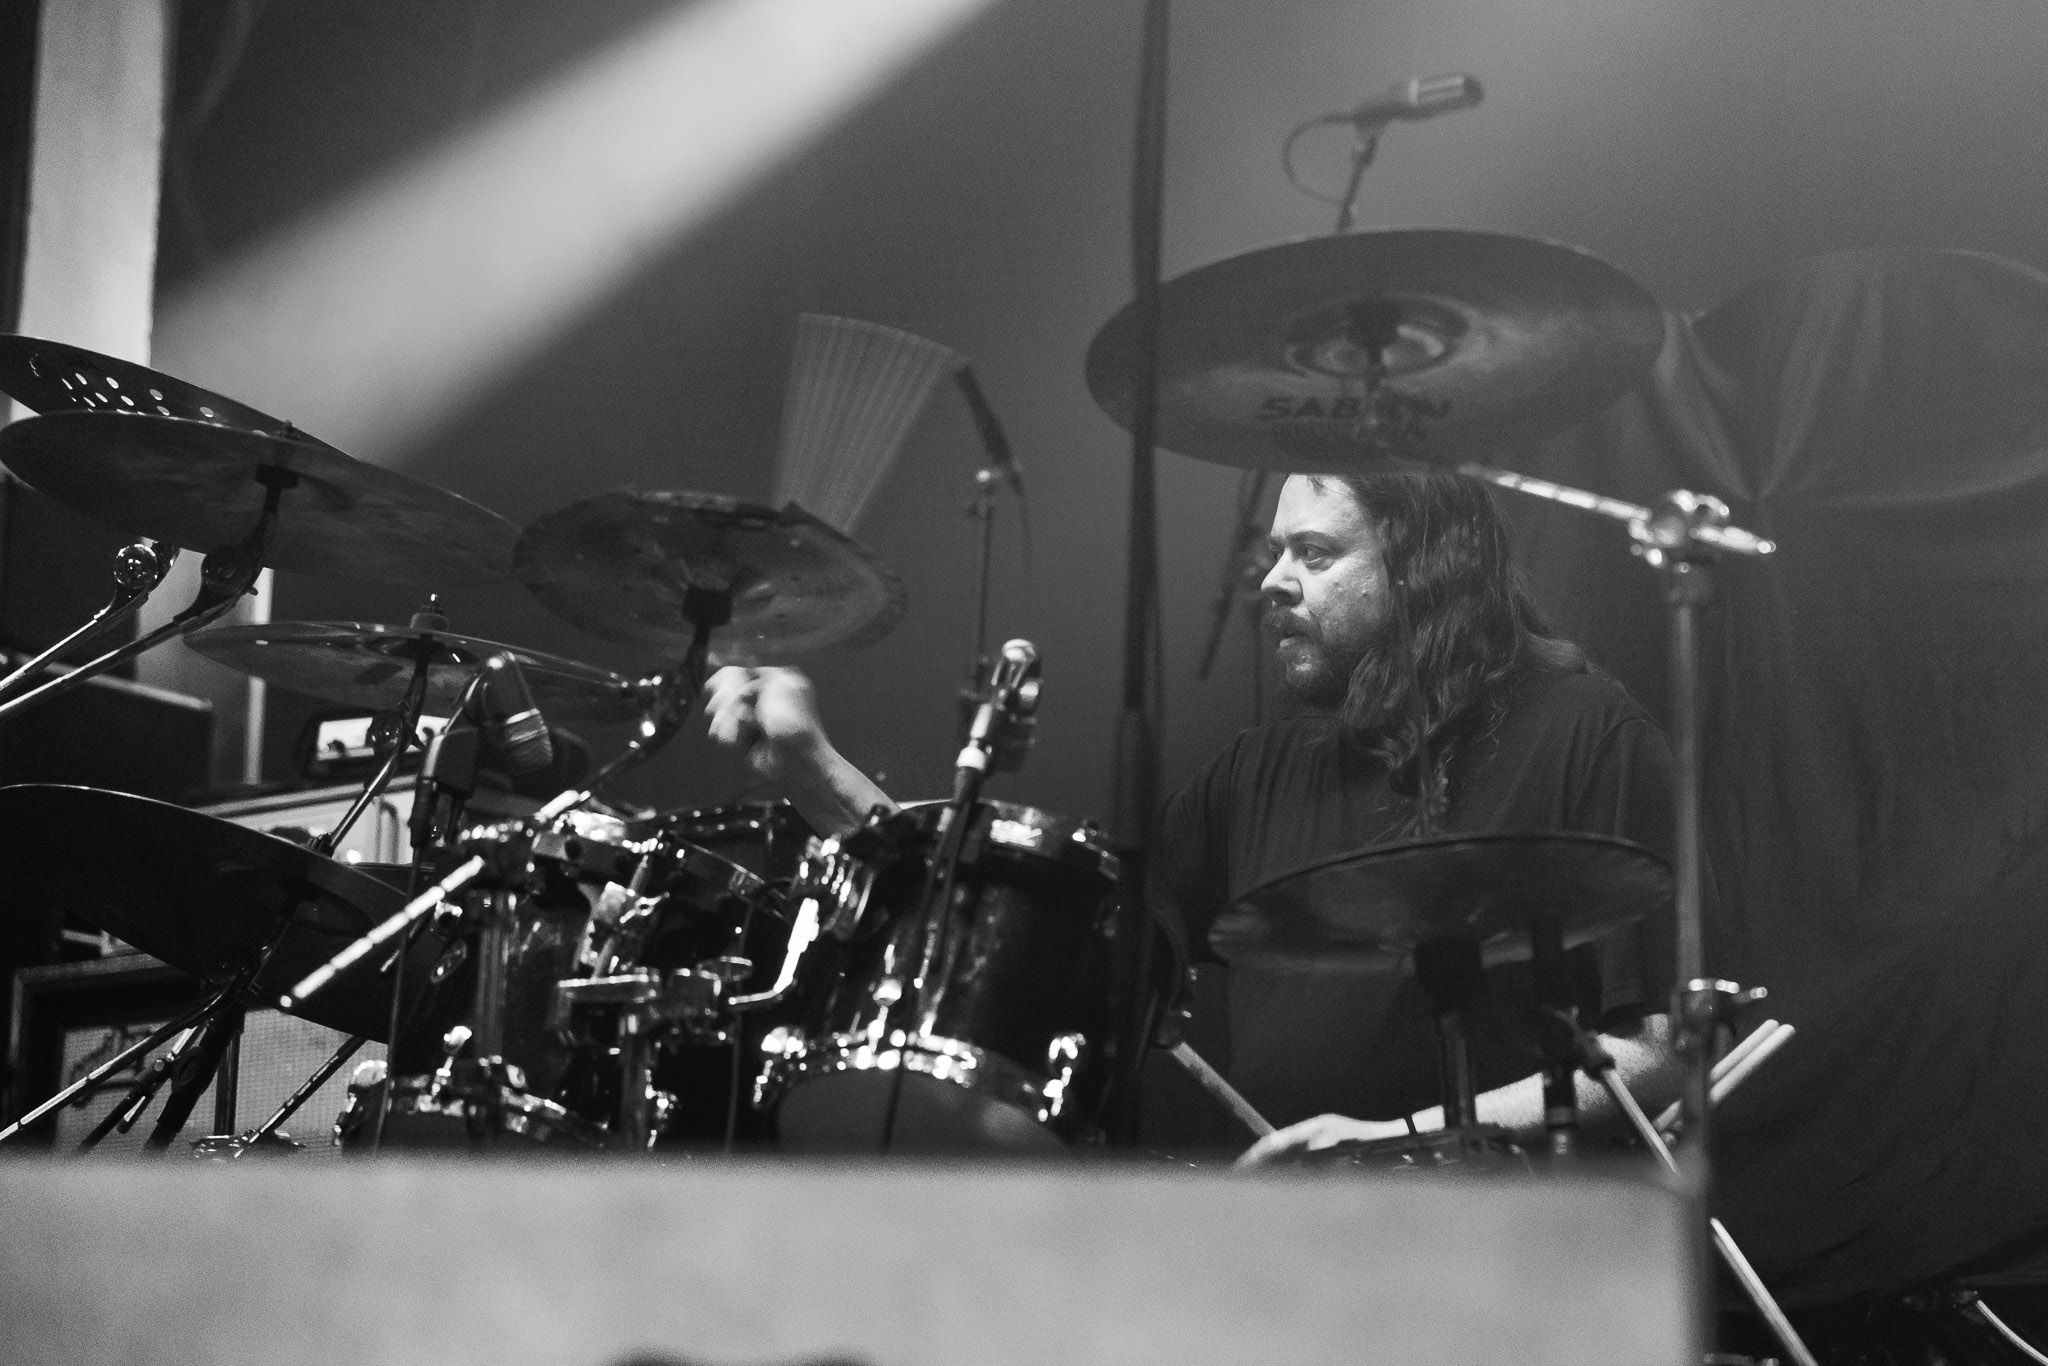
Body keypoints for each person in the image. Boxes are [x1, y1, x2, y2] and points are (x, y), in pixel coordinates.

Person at [703, 468, 1683, 1161]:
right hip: (1282, 1256)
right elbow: (1021, 940)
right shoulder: (1257, 773)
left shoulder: (1584, 731)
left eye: (1314, 552)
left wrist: (1395, 1145)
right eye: (1273, 553)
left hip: (1510, 1254)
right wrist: (813, 770)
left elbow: (1658, 1055)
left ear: (1426, 567)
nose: (1271, 582)